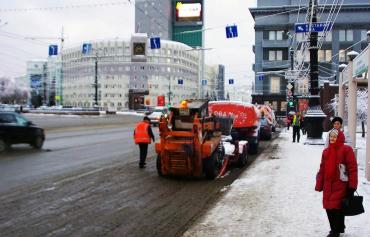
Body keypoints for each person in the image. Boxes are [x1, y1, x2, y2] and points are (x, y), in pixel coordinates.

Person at [315, 129, 358, 237]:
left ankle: (336, 231)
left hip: (341, 185)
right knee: (328, 208)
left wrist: (352, 187)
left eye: (334, 137)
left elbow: (352, 169)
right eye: (331, 137)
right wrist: (319, 184)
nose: (332, 139)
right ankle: (335, 228)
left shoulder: (346, 150)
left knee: (337, 208)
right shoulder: (326, 151)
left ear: (339, 137)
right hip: (328, 185)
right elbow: (322, 169)